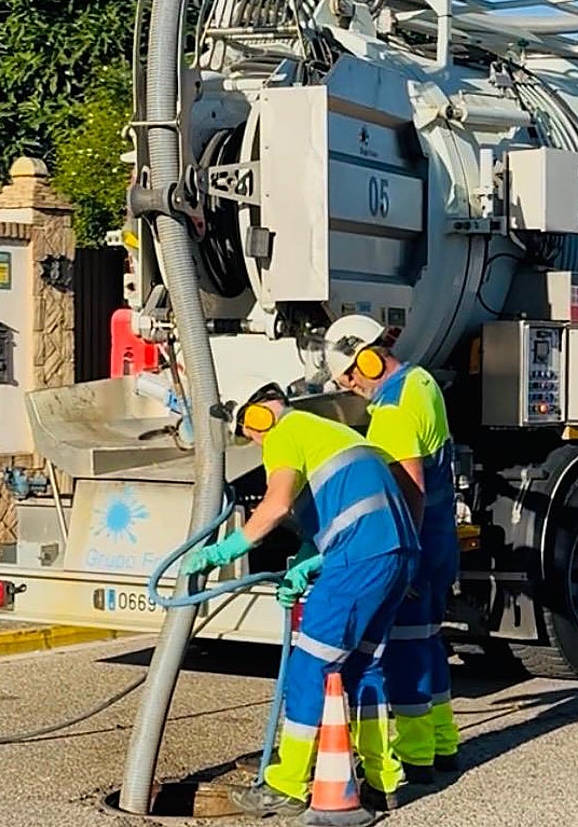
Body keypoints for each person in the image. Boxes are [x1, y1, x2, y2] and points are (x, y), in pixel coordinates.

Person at [180, 377, 419, 816]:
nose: (252, 440)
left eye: (248, 432)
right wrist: (308, 562)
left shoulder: (285, 432)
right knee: (365, 665)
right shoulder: (330, 432)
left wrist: (223, 550)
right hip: (397, 554)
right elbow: (339, 513)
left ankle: (287, 784)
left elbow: (274, 505)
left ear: (259, 416)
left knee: (311, 665)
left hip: (359, 558)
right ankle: (383, 780)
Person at [322, 314, 461, 783]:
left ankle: (417, 756)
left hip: (419, 549)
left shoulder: (393, 412)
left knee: (402, 652)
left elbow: (410, 490)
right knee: (428, 644)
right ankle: (443, 744)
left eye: (350, 377)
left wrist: (406, 559)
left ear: (366, 358)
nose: (351, 386)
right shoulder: (421, 381)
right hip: (441, 542)